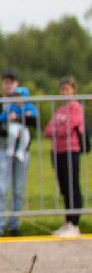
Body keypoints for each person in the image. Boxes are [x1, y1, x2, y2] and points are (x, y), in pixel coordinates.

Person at [0, 70, 38, 238]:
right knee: (1, 188)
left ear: (17, 84)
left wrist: (18, 120)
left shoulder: (25, 100)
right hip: (4, 148)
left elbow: (34, 120)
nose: (8, 84)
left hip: (22, 150)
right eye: (5, 81)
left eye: (11, 82)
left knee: (18, 189)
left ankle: (14, 224)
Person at [44, 76, 83, 238]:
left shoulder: (76, 107)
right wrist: (59, 129)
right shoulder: (59, 110)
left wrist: (59, 130)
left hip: (71, 150)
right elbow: (48, 130)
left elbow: (70, 127)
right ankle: (68, 221)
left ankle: (75, 223)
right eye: (62, 89)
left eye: (68, 89)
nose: (64, 92)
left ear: (74, 90)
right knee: (64, 187)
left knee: (72, 185)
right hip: (58, 151)